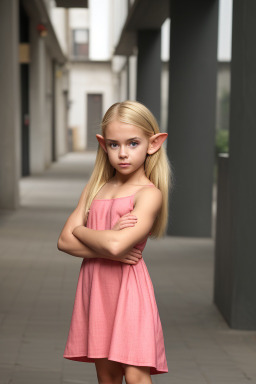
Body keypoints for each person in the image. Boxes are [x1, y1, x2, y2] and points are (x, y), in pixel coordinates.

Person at [57, 100, 174, 384]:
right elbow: (63, 241)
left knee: (135, 375)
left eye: (133, 143)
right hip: (97, 289)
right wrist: (109, 240)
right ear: (102, 144)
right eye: (114, 144)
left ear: (153, 143)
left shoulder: (149, 194)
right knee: (107, 376)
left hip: (129, 289)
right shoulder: (96, 187)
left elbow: (113, 246)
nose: (123, 153)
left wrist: (82, 231)